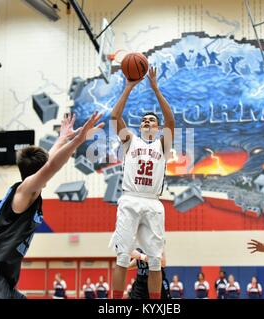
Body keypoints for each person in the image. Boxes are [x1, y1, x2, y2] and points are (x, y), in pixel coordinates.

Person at [0, 112, 104, 299]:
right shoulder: (25, 190)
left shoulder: (28, 190)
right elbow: (51, 166)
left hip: (4, 278)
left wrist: (62, 137)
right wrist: (78, 140)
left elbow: (48, 162)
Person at [109, 67, 175, 299]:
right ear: (140, 127)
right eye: (144, 120)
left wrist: (155, 88)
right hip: (130, 199)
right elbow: (115, 117)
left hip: (153, 202)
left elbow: (171, 119)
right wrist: (128, 87)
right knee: (123, 257)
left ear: (157, 128)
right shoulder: (131, 141)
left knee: (156, 261)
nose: (148, 122)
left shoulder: (162, 145)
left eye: (152, 120)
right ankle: (116, 303)